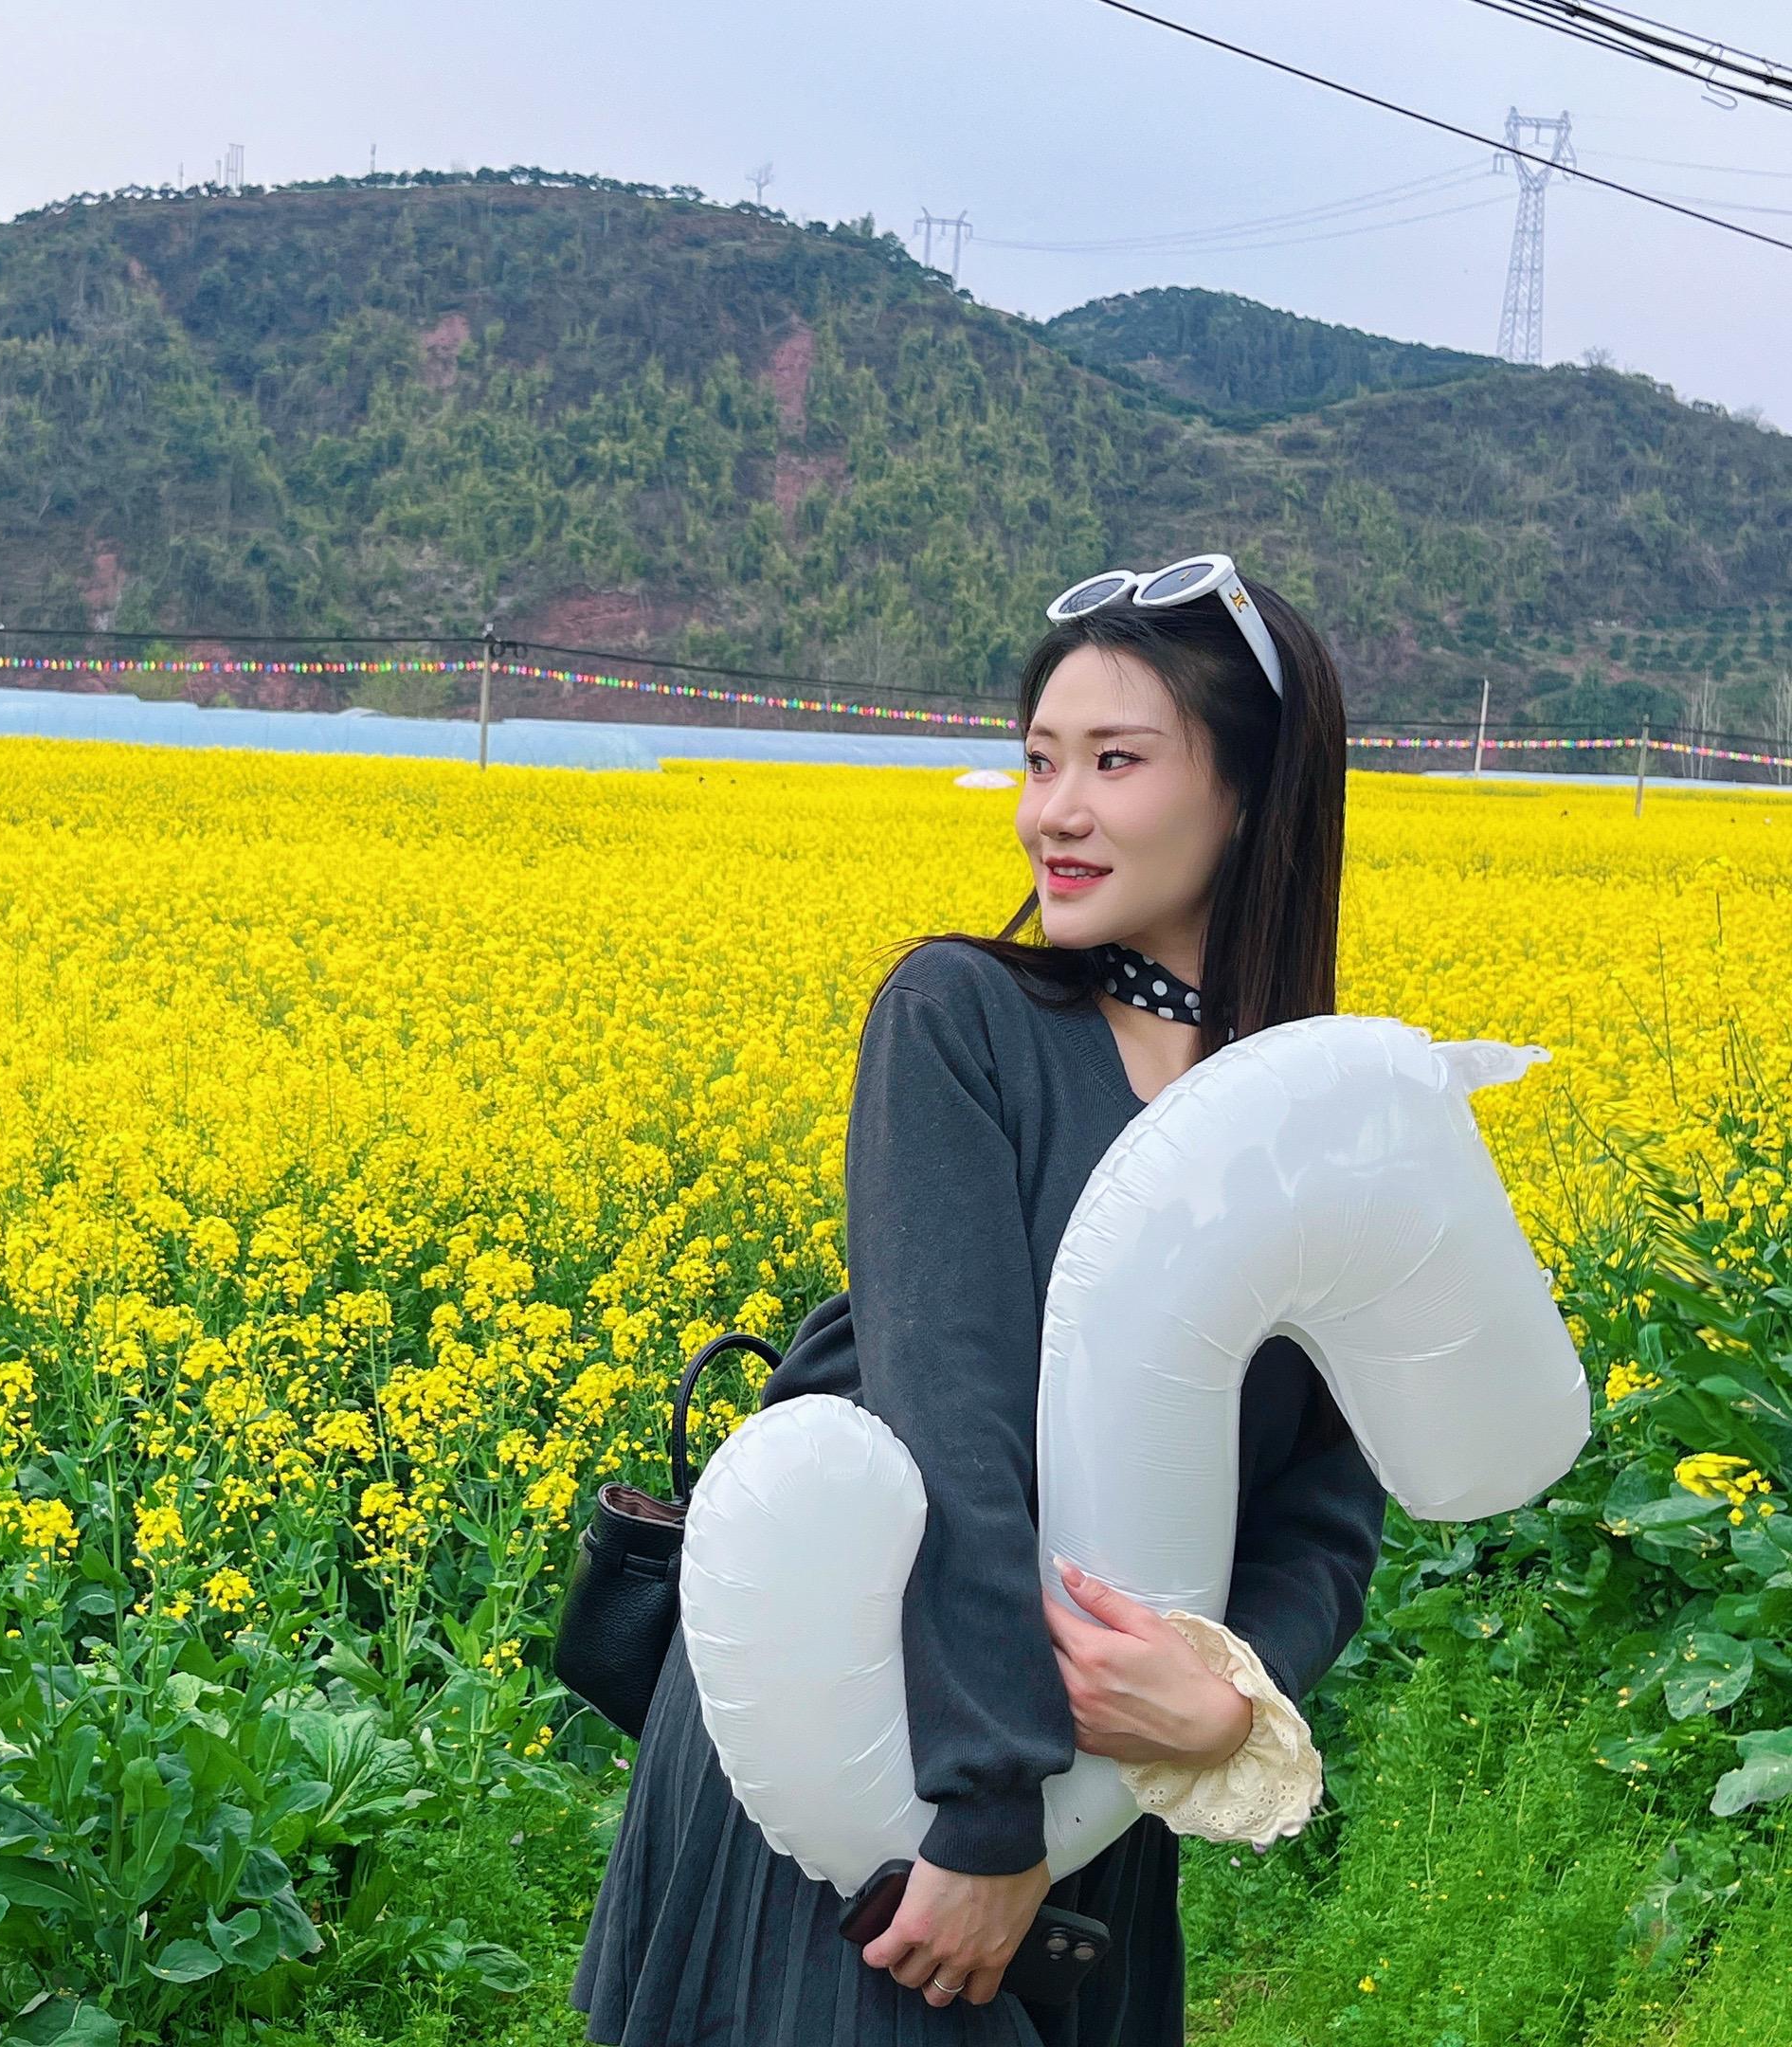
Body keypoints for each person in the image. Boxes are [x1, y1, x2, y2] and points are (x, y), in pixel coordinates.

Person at [568, 556, 1390, 2046]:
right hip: (876, 1738)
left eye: (1115, 762)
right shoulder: (961, 1019)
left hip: (1092, 1797)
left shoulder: (1324, 1121)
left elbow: (1330, 1493)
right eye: (1039, 760)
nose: (1051, 811)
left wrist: (1231, 1704)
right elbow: (951, 1418)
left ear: (1254, 795)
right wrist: (988, 1813)